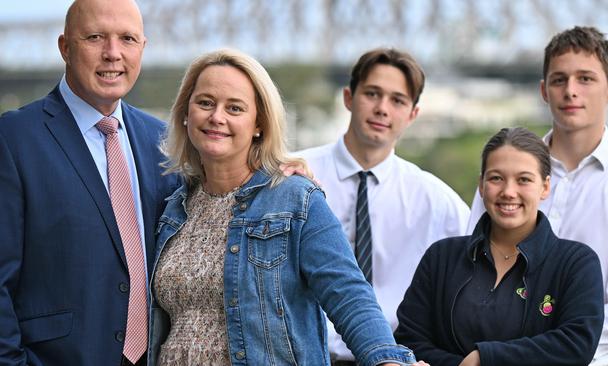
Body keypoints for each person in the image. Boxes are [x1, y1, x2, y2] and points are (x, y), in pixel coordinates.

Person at [148, 48, 426, 366]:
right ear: (186, 113)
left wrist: (386, 360)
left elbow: (348, 293)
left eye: (235, 108)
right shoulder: (173, 208)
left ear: (259, 124)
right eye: (205, 103)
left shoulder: (296, 199)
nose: (217, 117)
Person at [0, 0, 179, 365]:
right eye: (95, 37)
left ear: (142, 48)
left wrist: (278, 173)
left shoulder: (163, 141)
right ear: (65, 47)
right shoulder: (13, 139)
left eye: (127, 39)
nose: (113, 54)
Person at [467, 26, 608, 366]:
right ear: (543, 90)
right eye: (559, 80)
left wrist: (519, 356)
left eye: (585, 79)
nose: (570, 91)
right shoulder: (504, 170)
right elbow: (472, 275)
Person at [296, 48, 469, 364]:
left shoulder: (436, 200)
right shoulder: (295, 173)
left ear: (413, 114)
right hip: (306, 356)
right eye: (372, 94)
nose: (382, 109)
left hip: (396, 359)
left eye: (397, 100)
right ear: (349, 98)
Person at [395, 127, 605, 366]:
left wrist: (485, 358)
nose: (508, 192)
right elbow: (409, 341)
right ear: (481, 185)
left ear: (545, 187)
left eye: (523, 180)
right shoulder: (442, 256)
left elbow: (576, 345)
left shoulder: (576, 263)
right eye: (496, 178)